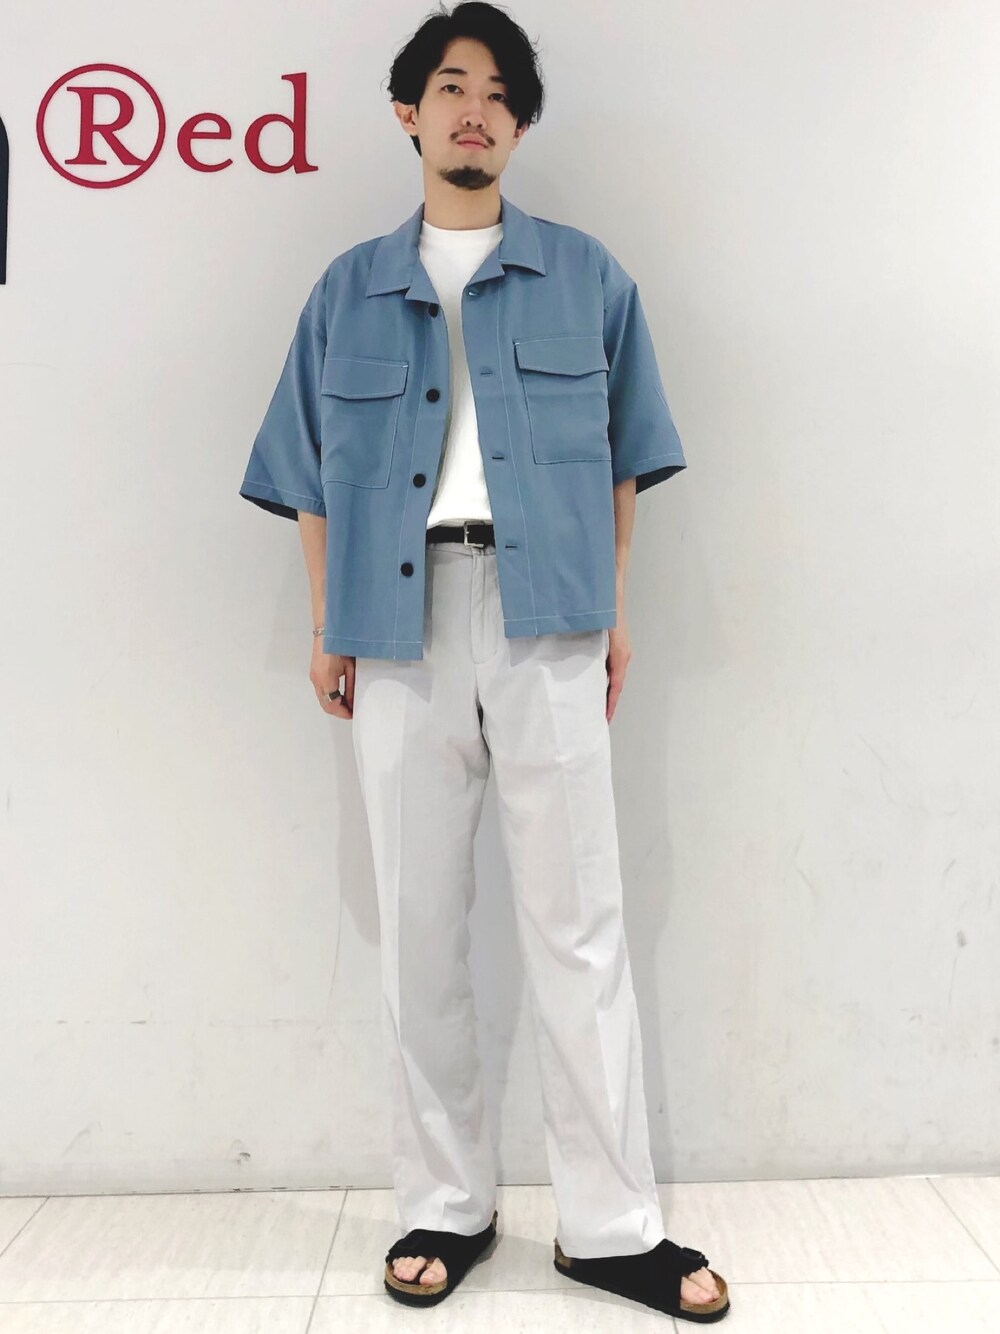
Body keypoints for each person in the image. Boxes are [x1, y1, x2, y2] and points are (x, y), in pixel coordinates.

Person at [239, 2, 730, 1322]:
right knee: (419, 930)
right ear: (410, 113)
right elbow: (307, 475)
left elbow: (626, 456)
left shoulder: (587, 277)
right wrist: (326, 624)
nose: (477, 109)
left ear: (519, 125)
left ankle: (610, 1227)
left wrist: (612, 612)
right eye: (453, 86)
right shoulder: (346, 289)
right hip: (393, 621)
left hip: (549, 613)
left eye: (502, 92)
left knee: (581, 924)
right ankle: (443, 1204)